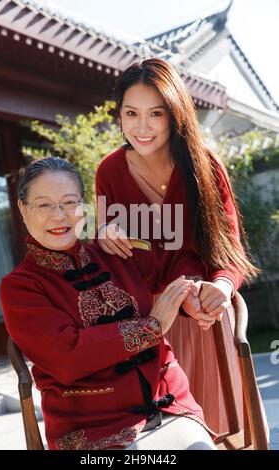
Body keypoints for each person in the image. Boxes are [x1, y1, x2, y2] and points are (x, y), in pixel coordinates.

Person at [0, 157, 218, 450]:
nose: (59, 215)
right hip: (91, 431)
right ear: (23, 210)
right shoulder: (21, 286)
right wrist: (152, 327)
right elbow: (67, 357)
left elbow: (176, 263)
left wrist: (194, 296)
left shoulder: (115, 250)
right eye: (43, 204)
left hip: (167, 406)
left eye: (69, 202)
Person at [95, 58, 260, 434]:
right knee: (168, 438)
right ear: (118, 115)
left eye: (156, 113)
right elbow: (112, 261)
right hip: (151, 323)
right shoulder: (109, 172)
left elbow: (228, 247)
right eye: (131, 113)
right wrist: (103, 233)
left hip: (207, 317)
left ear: (175, 114)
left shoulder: (205, 165)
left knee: (225, 430)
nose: (142, 126)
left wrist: (220, 287)